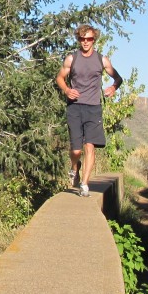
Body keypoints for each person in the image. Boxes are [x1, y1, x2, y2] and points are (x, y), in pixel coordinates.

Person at [55, 24, 123, 197]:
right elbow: (60, 78)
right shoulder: (72, 59)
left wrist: (113, 87)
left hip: (93, 108)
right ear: (78, 39)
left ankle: (84, 184)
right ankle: (74, 167)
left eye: (89, 39)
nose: (86, 42)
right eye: (82, 39)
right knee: (76, 150)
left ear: (94, 40)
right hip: (75, 107)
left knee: (90, 147)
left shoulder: (102, 60)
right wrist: (67, 90)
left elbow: (117, 77)